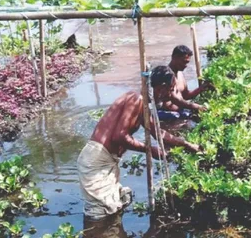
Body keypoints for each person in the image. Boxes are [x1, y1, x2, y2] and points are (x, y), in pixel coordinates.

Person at [77, 66, 201, 221]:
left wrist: (186, 144)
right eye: (170, 89)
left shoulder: (143, 106)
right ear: (161, 88)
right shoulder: (136, 99)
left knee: (112, 210)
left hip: (107, 161)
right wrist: (149, 150)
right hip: (97, 160)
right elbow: (119, 136)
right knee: (99, 215)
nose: (170, 95)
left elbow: (158, 132)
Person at [161, 45, 213, 114]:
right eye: (184, 61)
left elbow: (186, 96)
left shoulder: (180, 74)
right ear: (174, 58)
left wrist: (201, 88)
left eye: (187, 62)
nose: (186, 65)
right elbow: (174, 99)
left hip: (180, 111)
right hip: (167, 115)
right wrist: (194, 106)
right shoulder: (166, 74)